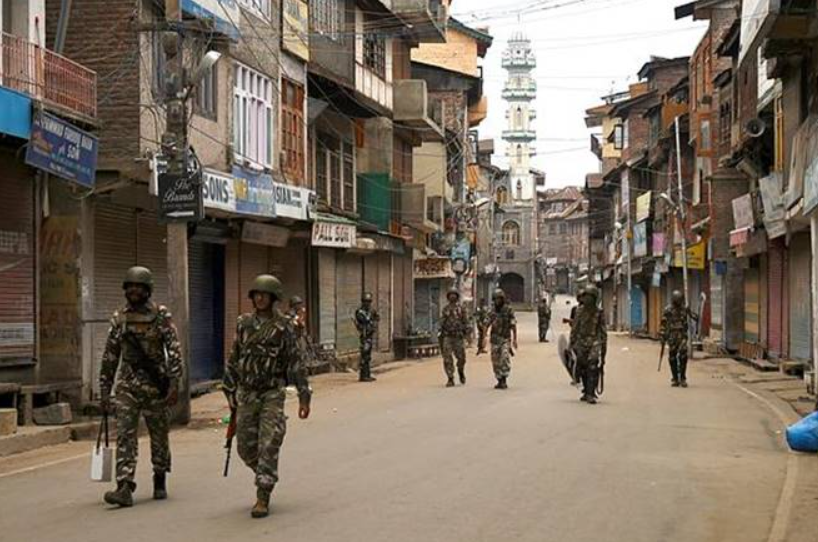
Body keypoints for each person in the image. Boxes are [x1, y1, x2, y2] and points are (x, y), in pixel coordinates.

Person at [223, 275, 311, 518]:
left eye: (264, 294)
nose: (260, 298)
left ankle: (263, 493)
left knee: (269, 443)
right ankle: (264, 472)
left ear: (274, 298)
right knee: (245, 448)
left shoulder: (284, 327)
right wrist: (228, 388)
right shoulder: (244, 323)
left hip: (272, 392)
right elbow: (234, 357)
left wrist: (304, 395)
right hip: (247, 393)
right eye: (256, 294)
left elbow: (295, 362)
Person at [99, 266, 183, 508]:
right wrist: (105, 390)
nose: (134, 290)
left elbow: (174, 350)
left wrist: (174, 383)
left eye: (139, 286)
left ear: (148, 290)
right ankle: (124, 485)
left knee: (159, 434)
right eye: (130, 286)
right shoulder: (120, 318)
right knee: (125, 435)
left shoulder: (160, 316)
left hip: (156, 385)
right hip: (128, 386)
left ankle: (159, 476)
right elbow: (110, 356)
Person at [570, 285, 607, 404]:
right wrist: (571, 344)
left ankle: (591, 393)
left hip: (594, 342)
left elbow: (602, 331)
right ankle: (586, 391)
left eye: (589, 297)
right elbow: (575, 328)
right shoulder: (579, 311)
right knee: (582, 368)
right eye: (585, 296)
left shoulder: (599, 312)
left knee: (592, 366)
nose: (587, 299)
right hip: (581, 342)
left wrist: (603, 349)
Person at [481, 288, 518, 389]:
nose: (497, 301)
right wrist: (484, 338)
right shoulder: (492, 311)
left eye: (499, 299)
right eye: (495, 299)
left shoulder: (508, 310)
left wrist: (515, 339)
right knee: (495, 361)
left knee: (504, 358)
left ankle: (504, 378)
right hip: (495, 340)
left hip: (505, 338)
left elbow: (513, 324)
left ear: (502, 299)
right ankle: (499, 379)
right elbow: (486, 324)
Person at [660, 290, 698, 388]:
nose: (679, 302)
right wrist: (662, 336)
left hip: (682, 336)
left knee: (683, 356)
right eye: (678, 300)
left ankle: (683, 378)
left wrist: (690, 311)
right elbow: (663, 324)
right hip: (672, 336)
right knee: (672, 357)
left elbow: (696, 317)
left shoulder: (684, 309)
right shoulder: (668, 309)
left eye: (681, 300)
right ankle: (675, 378)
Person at [439, 288, 470, 387]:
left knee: (461, 358)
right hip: (448, 336)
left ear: (457, 296)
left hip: (458, 337)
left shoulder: (462, 309)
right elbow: (441, 323)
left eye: (454, 295)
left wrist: (468, 334)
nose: (452, 296)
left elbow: (466, 322)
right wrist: (440, 333)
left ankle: (461, 371)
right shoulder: (445, 309)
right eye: (450, 295)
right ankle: (450, 378)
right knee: (447, 358)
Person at [355, 293, 380, 382]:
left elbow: (377, 317)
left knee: (368, 356)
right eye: (366, 301)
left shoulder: (371, 311)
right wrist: (370, 319)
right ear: (363, 302)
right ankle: (363, 376)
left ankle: (367, 374)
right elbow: (362, 320)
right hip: (364, 336)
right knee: (364, 356)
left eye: (369, 301)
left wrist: (374, 321)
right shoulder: (360, 312)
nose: (368, 303)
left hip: (370, 335)